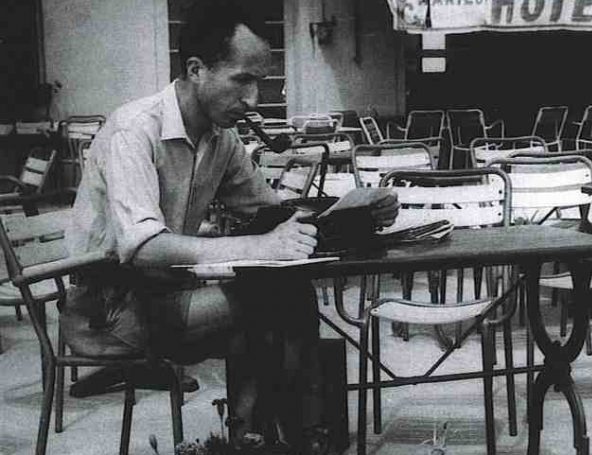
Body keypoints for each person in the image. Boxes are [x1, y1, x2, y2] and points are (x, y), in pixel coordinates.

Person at [62, 1, 399, 453]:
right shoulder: (134, 130)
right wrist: (259, 247)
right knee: (275, 299)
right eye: (242, 80)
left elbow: (271, 211)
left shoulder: (221, 139)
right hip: (107, 311)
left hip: (168, 295)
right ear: (196, 69)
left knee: (275, 298)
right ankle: (294, 438)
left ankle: (261, 438)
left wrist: (353, 211)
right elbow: (143, 247)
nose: (253, 99)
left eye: (260, 82)